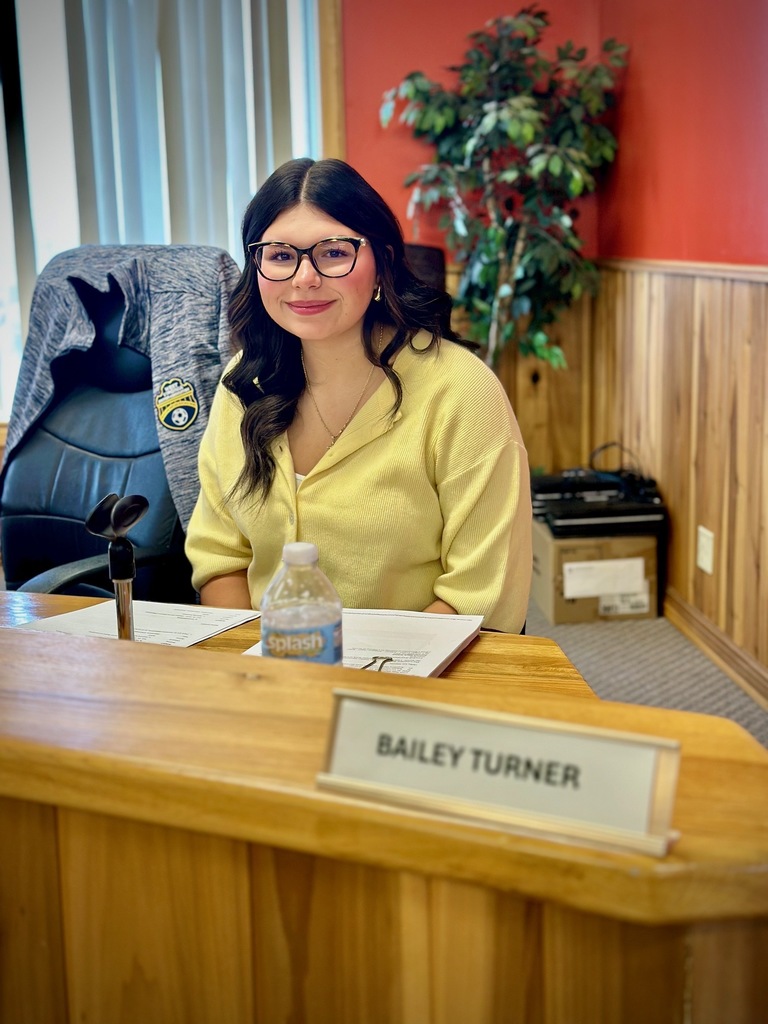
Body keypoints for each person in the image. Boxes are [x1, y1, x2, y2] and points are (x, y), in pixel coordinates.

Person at [185, 157, 532, 632]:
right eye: (281, 255)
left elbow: (480, 594)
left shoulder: (461, 391)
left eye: (332, 253)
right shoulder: (244, 383)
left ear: (382, 260)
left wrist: (363, 684)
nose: (304, 278)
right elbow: (219, 556)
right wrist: (259, 667)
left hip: (417, 681)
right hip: (272, 674)